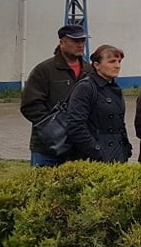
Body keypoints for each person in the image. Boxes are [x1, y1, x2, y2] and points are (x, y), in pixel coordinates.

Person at [20, 24, 91, 167]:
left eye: (83, 40)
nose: (80, 45)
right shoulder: (44, 70)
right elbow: (30, 105)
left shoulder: (90, 71)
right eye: (75, 41)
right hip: (47, 150)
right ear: (62, 43)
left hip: (79, 148)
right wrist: (53, 129)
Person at [67, 44, 132, 163]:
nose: (117, 66)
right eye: (112, 62)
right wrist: (97, 152)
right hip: (95, 158)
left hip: (117, 154)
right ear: (97, 65)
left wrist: (125, 149)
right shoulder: (85, 88)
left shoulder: (114, 88)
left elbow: (119, 124)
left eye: (119, 61)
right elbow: (76, 126)